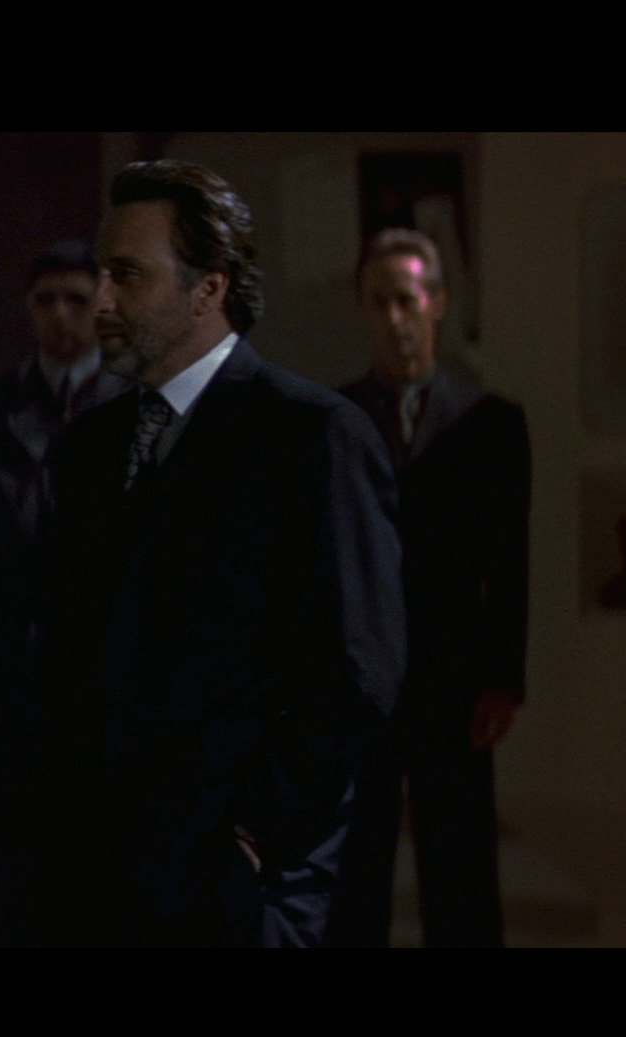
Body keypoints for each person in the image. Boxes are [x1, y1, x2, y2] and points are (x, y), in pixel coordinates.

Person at [29, 160, 405, 947]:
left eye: (126, 275)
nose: (101, 300)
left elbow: (356, 673)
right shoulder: (88, 450)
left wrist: (255, 837)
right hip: (96, 881)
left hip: (236, 892)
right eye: (102, 273)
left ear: (209, 287)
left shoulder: (312, 437)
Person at [0, 238, 129, 945]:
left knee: (104, 877)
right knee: (12, 879)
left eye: (76, 299)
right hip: (11, 685)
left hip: (106, 687)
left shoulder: (139, 412)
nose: (60, 314)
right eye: (46, 300)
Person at [327, 228, 530, 948]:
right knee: (356, 869)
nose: (394, 318)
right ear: (363, 307)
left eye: (407, 300)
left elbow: (509, 562)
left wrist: (503, 679)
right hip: (362, 682)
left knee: (461, 864)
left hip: (453, 676)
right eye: (379, 301)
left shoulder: (490, 424)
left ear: (437, 303)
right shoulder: (334, 425)